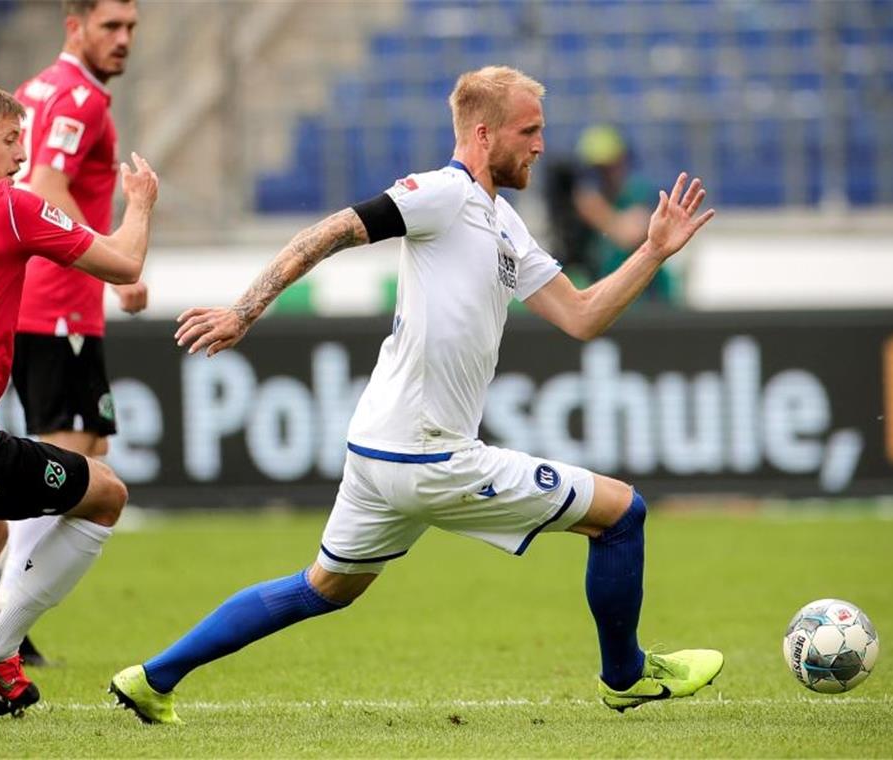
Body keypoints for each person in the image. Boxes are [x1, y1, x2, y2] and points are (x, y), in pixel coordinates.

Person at [109, 66, 718, 725]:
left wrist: (652, 251)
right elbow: (328, 232)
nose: (542, 145)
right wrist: (244, 312)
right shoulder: (441, 193)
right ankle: (626, 676)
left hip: (379, 450)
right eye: (530, 130)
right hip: (427, 457)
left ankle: (152, 677)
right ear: (484, 134)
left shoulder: (501, 219)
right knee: (622, 515)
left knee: (324, 587)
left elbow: (582, 315)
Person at [0, 81, 159, 719]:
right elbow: (125, 264)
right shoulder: (9, 206)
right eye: (12, 139)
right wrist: (141, 204)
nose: (24, 154)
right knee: (106, 495)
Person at [0, 0, 145, 665]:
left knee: (89, 442)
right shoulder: (80, 99)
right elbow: (45, 186)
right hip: (59, 305)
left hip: (37, 300)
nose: (123, 39)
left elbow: (13, 181)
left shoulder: (35, 90)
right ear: (73, 27)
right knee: (65, 457)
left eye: (131, 27)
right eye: (110, 26)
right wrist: (113, 256)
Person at [547, 125, 679, 304]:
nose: (603, 176)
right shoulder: (584, 205)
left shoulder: (636, 191)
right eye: (595, 170)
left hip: (647, 297)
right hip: (604, 293)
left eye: (607, 168)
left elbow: (629, 233)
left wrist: (594, 210)